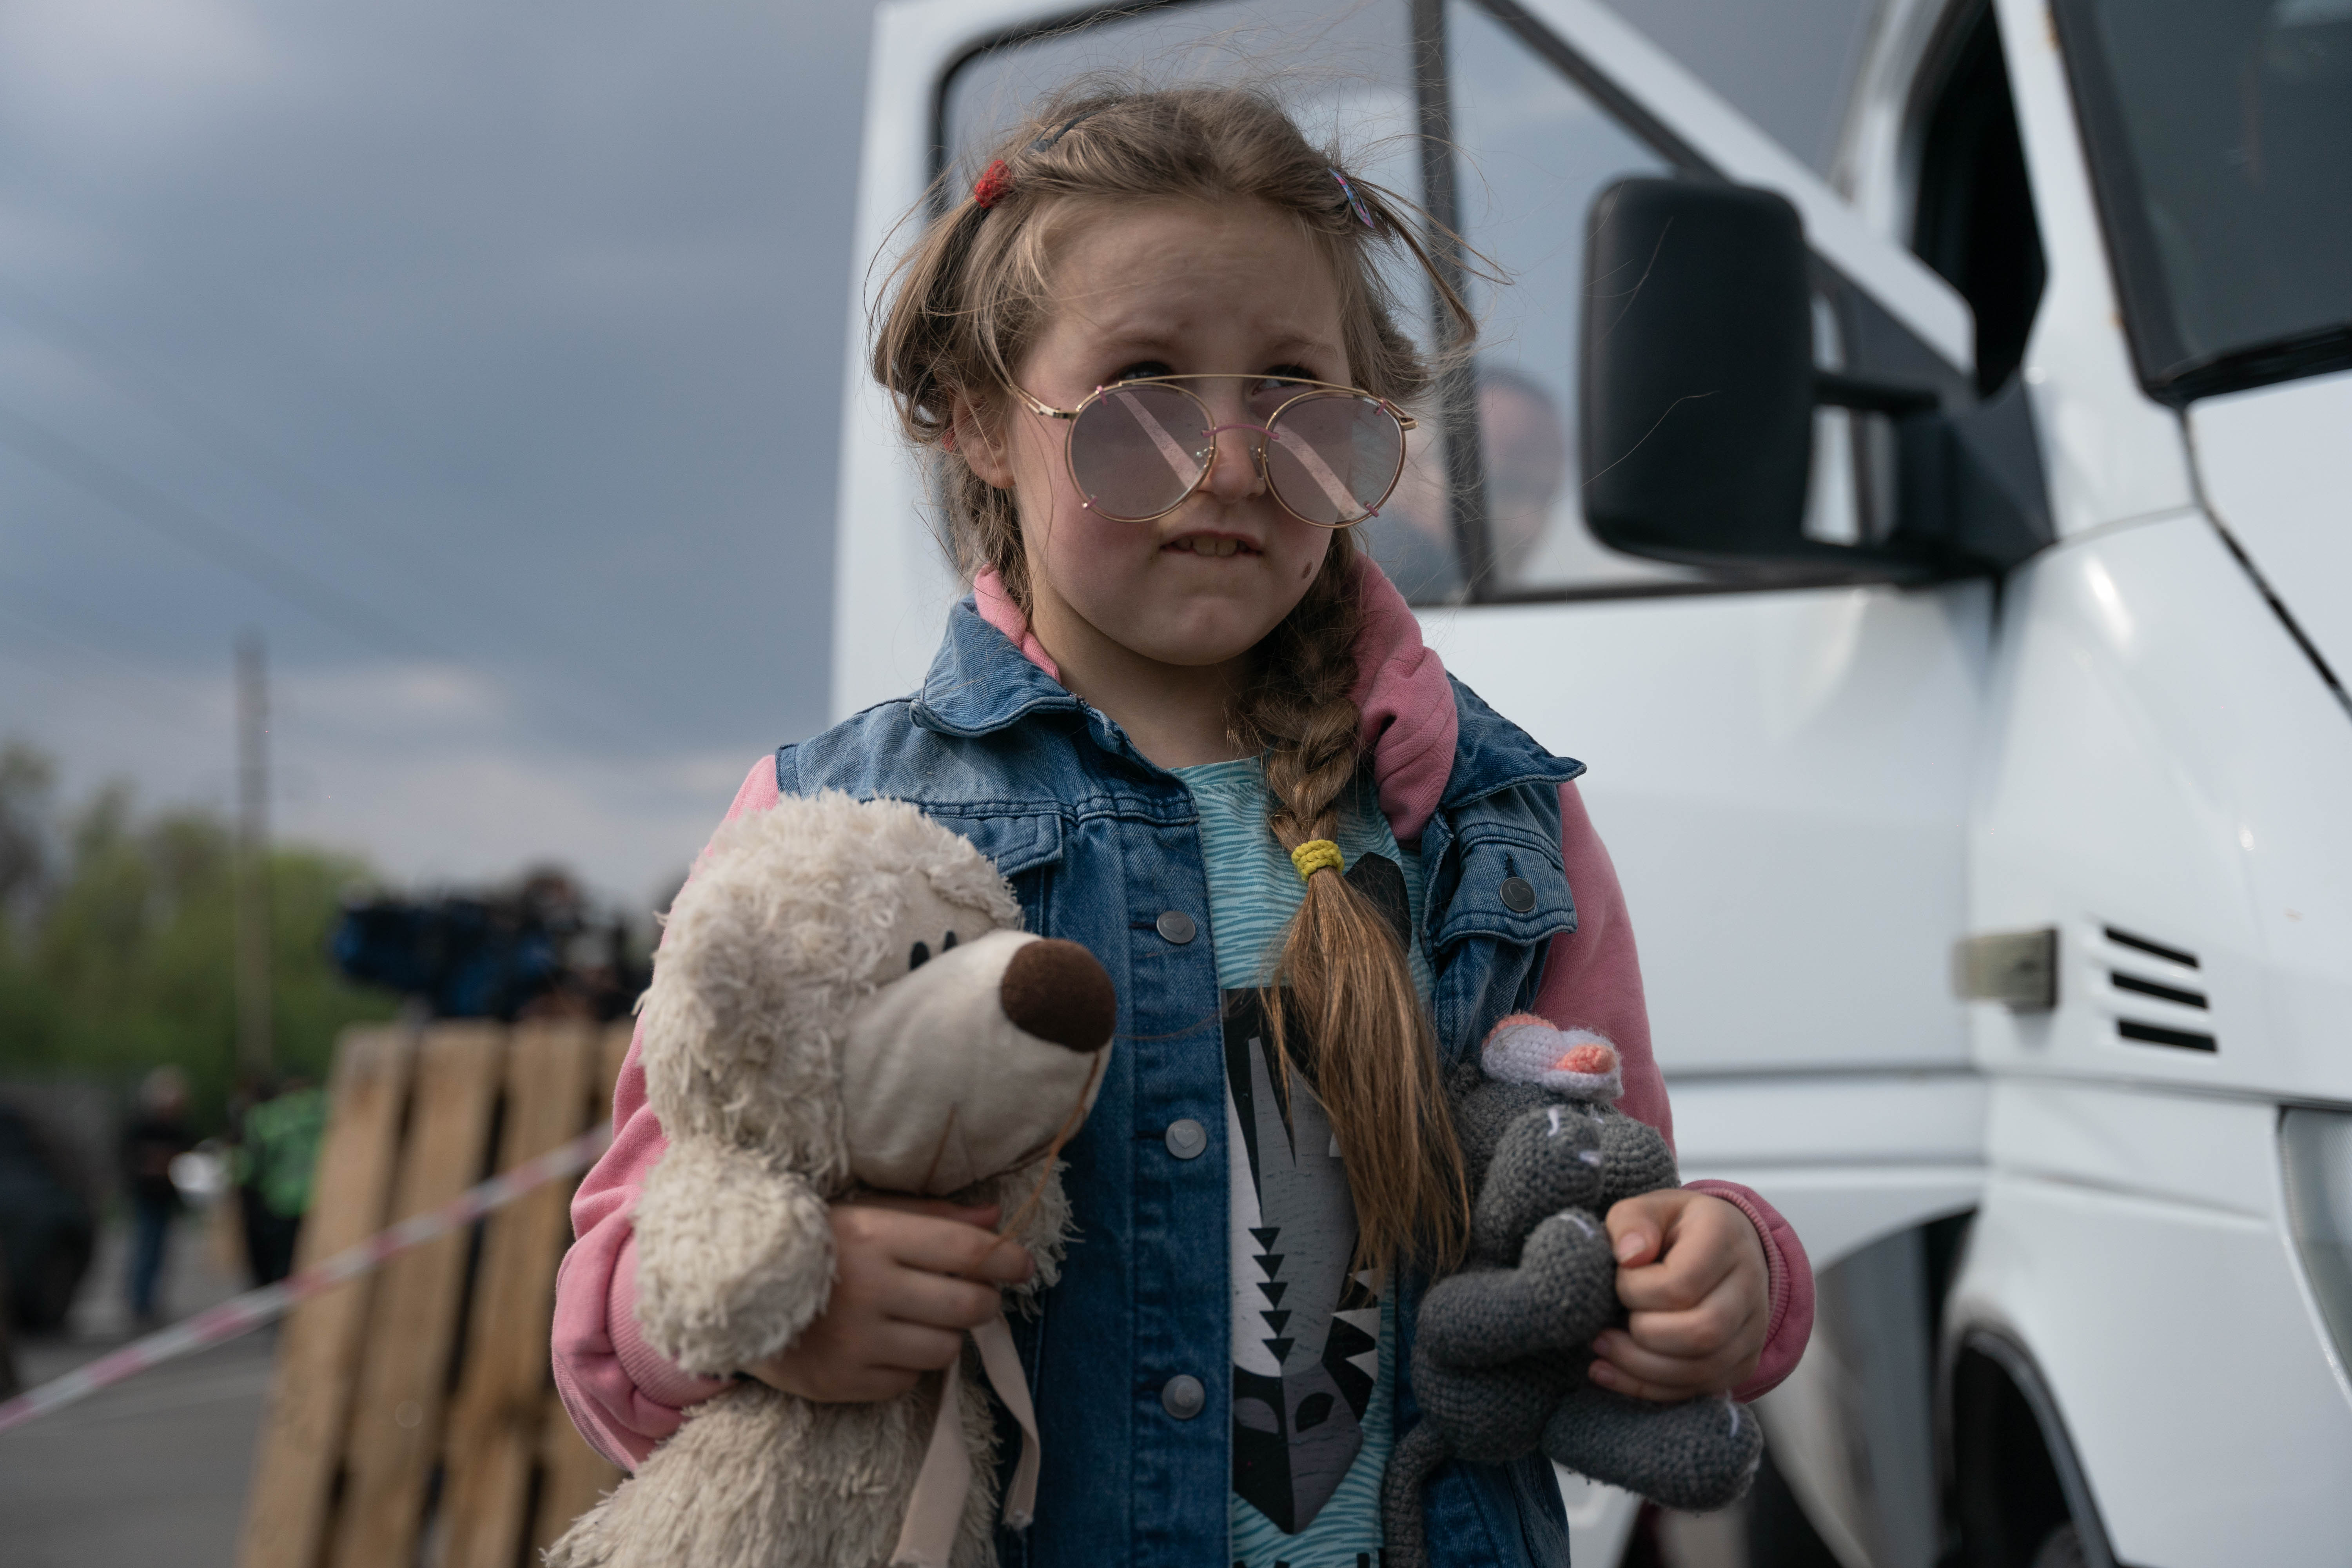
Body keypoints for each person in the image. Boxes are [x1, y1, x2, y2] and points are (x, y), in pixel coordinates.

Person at [552, 84, 1812, 1567]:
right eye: (1143, 389)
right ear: (973, 417)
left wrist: (1724, 1270)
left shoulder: (1490, 815)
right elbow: (624, 1292)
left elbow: (1622, 1189)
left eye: (1293, 393)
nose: (1228, 462)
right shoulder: (834, 821)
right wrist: (795, 1310)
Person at [122, 1065, 194, 1330]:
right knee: (146, 1249)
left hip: (165, 1197)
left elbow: (186, 1160)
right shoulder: (143, 1128)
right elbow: (130, 1160)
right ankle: (140, 1302)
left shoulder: (177, 1129)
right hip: (147, 1196)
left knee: (160, 1251)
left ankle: (147, 1302)